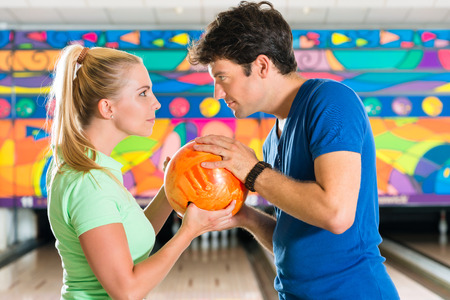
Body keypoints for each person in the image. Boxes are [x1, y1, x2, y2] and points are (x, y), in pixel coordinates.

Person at [188, 1, 400, 299]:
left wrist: (252, 171)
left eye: (221, 77)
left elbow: (335, 214)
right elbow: (295, 238)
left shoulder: (330, 102)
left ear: (262, 66)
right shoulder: (271, 140)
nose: (217, 93)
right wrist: (243, 216)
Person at [46, 45, 235, 299]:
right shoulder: (89, 183)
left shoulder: (94, 170)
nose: (156, 103)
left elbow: (127, 237)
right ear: (107, 108)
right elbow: (127, 289)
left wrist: (172, 186)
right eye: (143, 93)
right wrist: (189, 231)